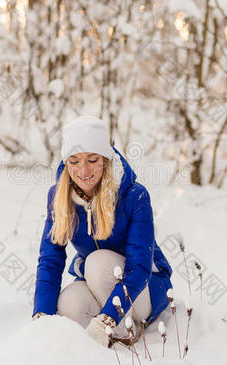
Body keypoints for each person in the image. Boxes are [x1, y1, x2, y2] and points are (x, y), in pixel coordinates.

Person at [31, 115, 173, 347]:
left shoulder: (135, 196)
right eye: (74, 161)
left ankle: (125, 330)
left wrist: (105, 320)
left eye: (92, 159)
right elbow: (50, 260)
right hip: (97, 283)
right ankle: (103, 331)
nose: (83, 170)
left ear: (105, 159)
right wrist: (41, 317)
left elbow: (139, 268)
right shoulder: (58, 197)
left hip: (143, 290)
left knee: (97, 262)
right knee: (68, 305)